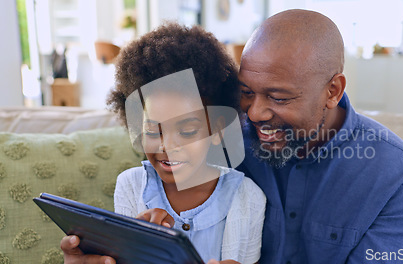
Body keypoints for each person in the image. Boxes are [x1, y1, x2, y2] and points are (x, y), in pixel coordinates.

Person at [61, 9, 403, 264]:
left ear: (332, 90)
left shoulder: (396, 175)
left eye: (279, 97)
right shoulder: (215, 132)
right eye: (247, 92)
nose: (253, 114)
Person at [61, 23, 266, 264]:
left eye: (187, 130)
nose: (167, 145)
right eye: (152, 130)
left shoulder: (247, 197)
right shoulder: (131, 186)